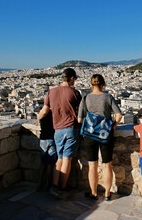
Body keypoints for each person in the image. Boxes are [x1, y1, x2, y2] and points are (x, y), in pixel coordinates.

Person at [37, 68, 82, 197]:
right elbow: (81, 112)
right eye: (75, 78)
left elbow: (44, 111)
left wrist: (38, 120)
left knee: (59, 159)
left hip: (57, 130)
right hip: (71, 129)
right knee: (67, 158)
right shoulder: (74, 93)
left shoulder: (51, 92)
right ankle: (62, 186)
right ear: (72, 78)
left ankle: (54, 185)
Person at [78, 74, 122, 201]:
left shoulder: (85, 98)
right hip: (105, 135)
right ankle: (108, 194)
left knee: (92, 165)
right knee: (107, 165)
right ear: (103, 84)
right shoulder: (108, 97)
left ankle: (93, 193)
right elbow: (119, 115)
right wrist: (112, 127)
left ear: (91, 84)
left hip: (90, 135)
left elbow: (80, 119)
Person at [37, 110, 57, 191]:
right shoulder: (54, 114)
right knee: (50, 164)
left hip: (43, 139)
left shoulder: (42, 114)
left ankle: (39, 184)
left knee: (43, 163)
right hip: (51, 138)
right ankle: (47, 184)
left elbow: (39, 120)